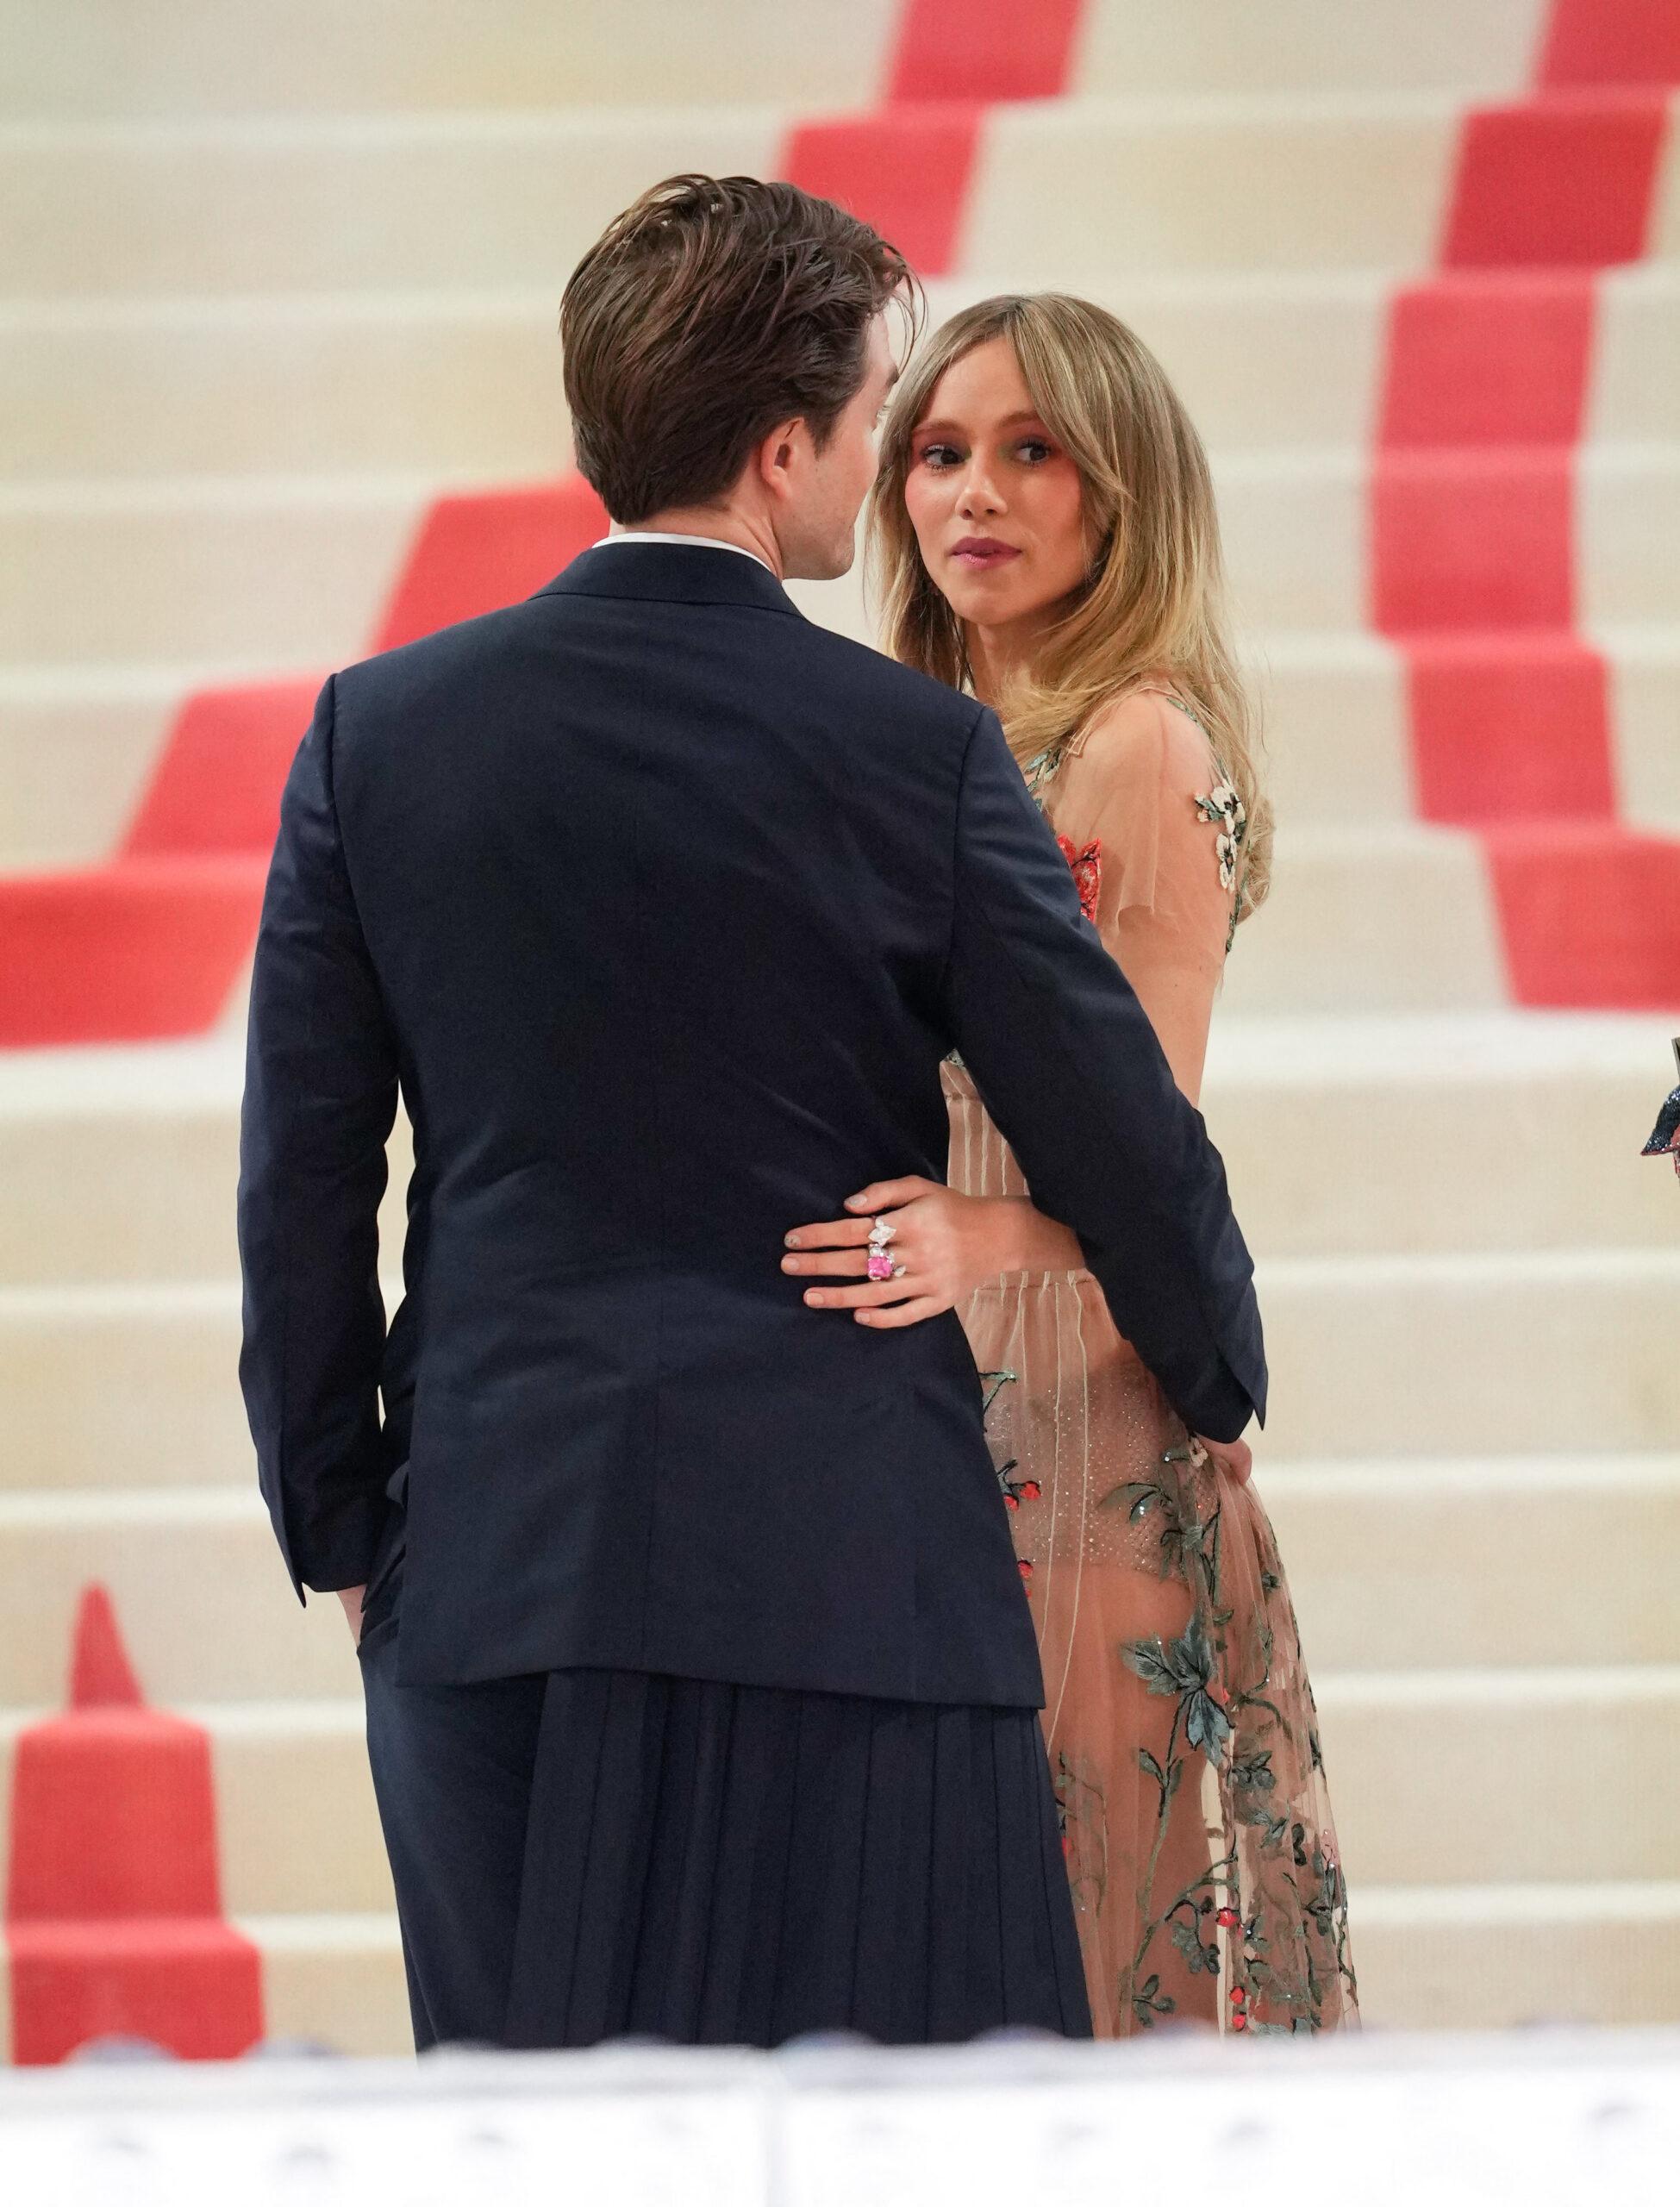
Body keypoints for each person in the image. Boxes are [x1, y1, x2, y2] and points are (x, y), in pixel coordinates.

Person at [236, 184, 1265, 2054]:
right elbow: (1123, 1131)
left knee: (540, 2166)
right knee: (929, 2165)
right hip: (854, 1577)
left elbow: (303, 1180)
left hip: (496, 1571)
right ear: (785, 446)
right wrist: (1214, 1365)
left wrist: (345, 1520)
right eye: (884, 422)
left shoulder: (374, 733)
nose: (882, 471)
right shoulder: (915, 749)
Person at [780, 296, 1357, 2035]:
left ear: (1125, 490)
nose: (975, 493)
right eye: (942, 450)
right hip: (937, 1395)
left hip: (1078, 1398)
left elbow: (1148, 1149)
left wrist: (976, 1230)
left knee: (1084, 1950)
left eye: (1034, 452)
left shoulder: (1139, 745)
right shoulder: (929, 734)